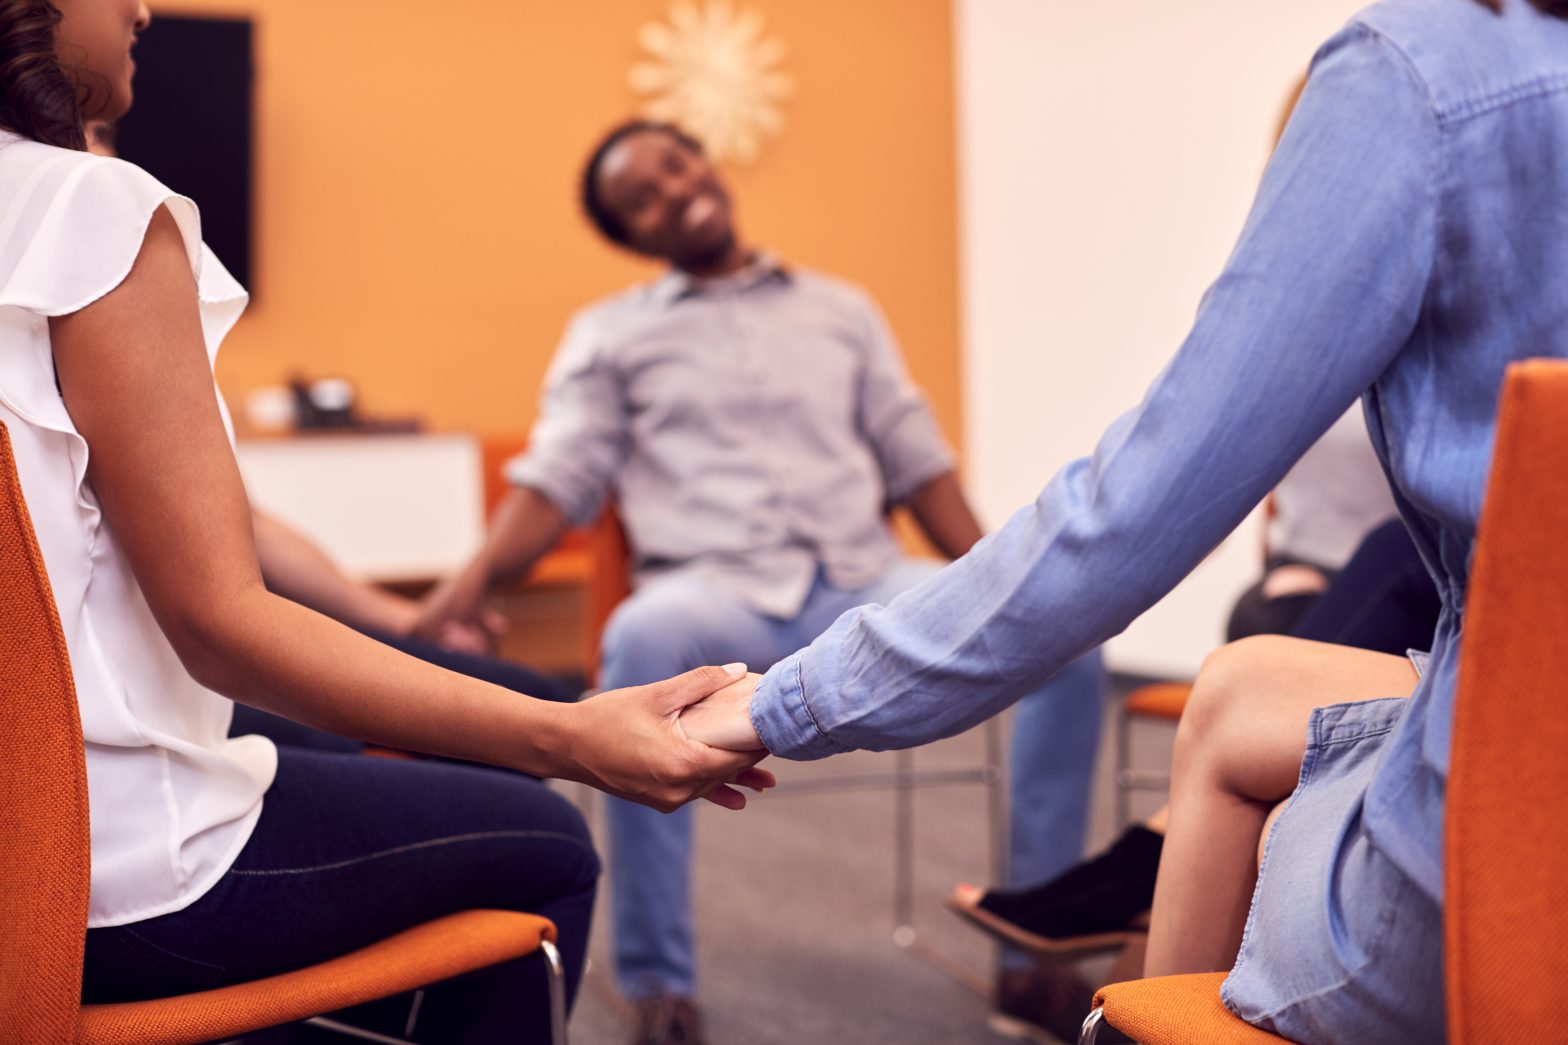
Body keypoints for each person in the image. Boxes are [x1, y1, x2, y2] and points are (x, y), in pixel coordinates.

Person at [681, 0, 1568, 1038]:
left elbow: (1121, 516)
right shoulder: (621, 342)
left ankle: (1142, 970)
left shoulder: (1418, 79)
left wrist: (782, 703)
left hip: (1520, 856)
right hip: (705, 574)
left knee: (1274, 801)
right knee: (1245, 686)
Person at [0, 3, 771, 1041]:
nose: (143, 8)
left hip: (29, 813)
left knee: (368, 729)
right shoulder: (89, 212)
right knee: (545, 838)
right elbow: (222, 623)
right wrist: (566, 740)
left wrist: (413, 628)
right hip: (97, 869)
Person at [416, 119, 1108, 1044]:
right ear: (634, 237)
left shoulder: (842, 309)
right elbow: (557, 486)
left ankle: (1033, 959)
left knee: (1068, 636)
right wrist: (458, 596)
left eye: (676, 164)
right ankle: (661, 982)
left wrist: (1000, 581)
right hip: (710, 598)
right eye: (643, 197)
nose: (674, 189)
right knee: (639, 638)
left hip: (867, 584)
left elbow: (917, 463)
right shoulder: (610, 336)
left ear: (705, 161)